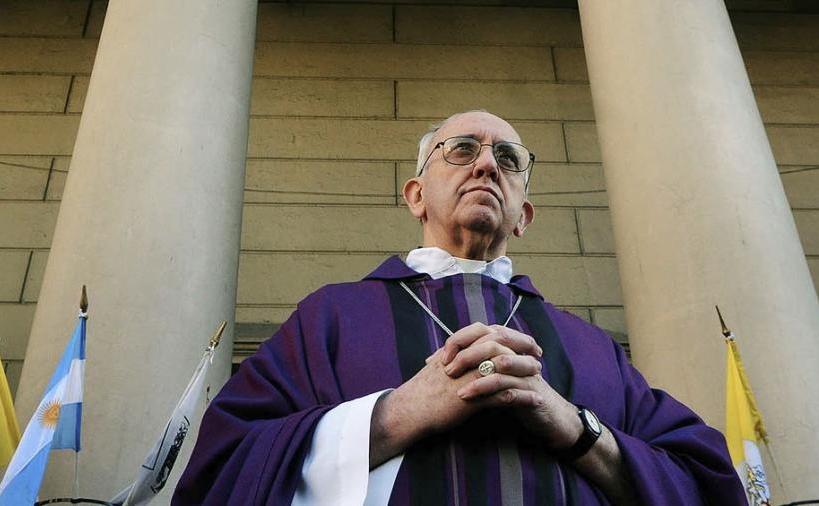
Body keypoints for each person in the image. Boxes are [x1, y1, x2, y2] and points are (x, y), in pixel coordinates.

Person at [173, 111, 745, 505]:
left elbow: (701, 481)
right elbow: (225, 467)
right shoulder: (332, 318)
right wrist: (397, 413)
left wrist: (573, 426)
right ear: (416, 196)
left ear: (523, 215)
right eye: (463, 150)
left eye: (508, 159)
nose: (487, 165)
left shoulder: (590, 347)